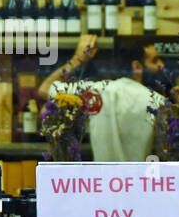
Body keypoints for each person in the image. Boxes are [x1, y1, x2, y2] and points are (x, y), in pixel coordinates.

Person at [37, 34, 167, 161]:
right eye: (155, 61)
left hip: (100, 180)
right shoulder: (157, 101)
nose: (162, 65)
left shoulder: (98, 92)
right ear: (137, 67)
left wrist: (77, 59)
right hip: (140, 181)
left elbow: (45, 89)